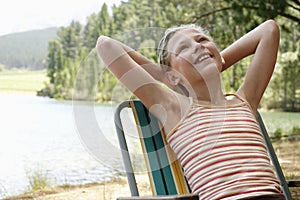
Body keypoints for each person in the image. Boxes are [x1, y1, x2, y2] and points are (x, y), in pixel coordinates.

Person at [97, 20, 284, 199]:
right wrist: (169, 77)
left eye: (202, 40)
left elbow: (269, 30)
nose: (197, 46)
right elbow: (105, 45)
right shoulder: (173, 109)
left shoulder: (245, 100)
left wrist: (213, 60)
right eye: (183, 48)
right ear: (171, 77)